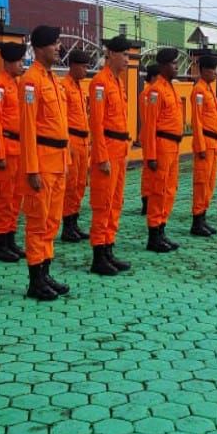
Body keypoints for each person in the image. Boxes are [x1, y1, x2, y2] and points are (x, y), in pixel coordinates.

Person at [20, 26, 71, 300]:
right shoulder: (31, 81)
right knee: (38, 222)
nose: (59, 47)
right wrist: (31, 168)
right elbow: (28, 127)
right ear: (40, 48)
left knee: (51, 222)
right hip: (41, 162)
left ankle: (45, 272)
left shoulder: (53, 79)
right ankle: (35, 280)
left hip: (58, 161)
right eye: (55, 43)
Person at [89, 35, 134, 276]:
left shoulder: (118, 82)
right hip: (107, 151)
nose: (127, 59)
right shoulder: (100, 83)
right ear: (111, 55)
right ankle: (98, 255)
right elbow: (96, 124)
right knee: (103, 204)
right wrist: (101, 156)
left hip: (119, 151)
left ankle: (108, 248)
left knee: (116, 203)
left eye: (129, 55)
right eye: (124, 55)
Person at [0, 41, 27, 263]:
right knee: (5, 199)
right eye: (20, 61)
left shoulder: (17, 84)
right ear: (9, 62)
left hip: (19, 150)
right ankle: (1, 244)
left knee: (16, 199)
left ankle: (10, 239)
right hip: (7, 149)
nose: (23, 65)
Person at [143, 47, 184, 251]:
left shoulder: (170, 88)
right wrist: (150, 155)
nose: (177, 67)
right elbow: (149, 125)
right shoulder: (155, 90)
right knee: (158, 191)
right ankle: (153, 235)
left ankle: (161, 229)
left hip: (173, 146)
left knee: (169, 190)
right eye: (174, 63)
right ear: (163, 66)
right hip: (161, 146)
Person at [189, 53, 217, 237]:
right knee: (201, 183)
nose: (215, 73)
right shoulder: (199, 90)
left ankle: (203, 218)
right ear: (204, 71)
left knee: (209, 183)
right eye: (212, 69)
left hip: (213, 143)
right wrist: (200, 146)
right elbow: (197, 120)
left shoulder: (208, 89)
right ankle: (197, 221)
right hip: (205, 143)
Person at [61, 49, 92, 243]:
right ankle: (67, 226)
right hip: (71, 140)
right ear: (73, 65)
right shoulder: (64, 86)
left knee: (81, 184)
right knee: (70, 185)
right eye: (83, 66)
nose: (86, 70)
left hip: (82, 141)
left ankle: (74, 222)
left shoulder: (80, 87)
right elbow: (62, 119)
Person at [138, 62, 159, 216]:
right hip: (149, 135)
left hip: (154, 136)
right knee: (148, 169)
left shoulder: (153, 93)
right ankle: (146, 198)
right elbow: (149, 119)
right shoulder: (148, 94)